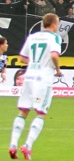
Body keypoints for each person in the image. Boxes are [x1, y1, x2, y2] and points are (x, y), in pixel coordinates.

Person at [9, 13, 62, 160]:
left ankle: (13, 144)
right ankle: (27, 145)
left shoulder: (32, 37)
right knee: (41, 113)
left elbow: (22, 58)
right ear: (53, 24)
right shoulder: (55, 37)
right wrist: (57, 70)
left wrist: (35, 63)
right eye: (57, 23)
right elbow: (54, 55)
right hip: (42, 78)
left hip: (29, 77)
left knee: (23, 111)